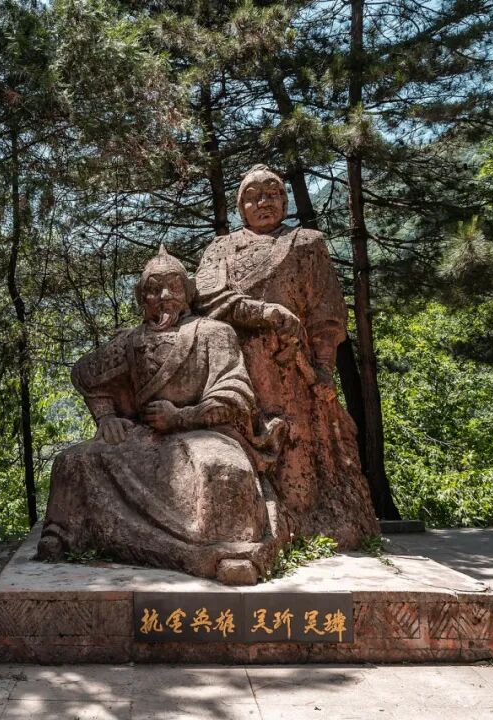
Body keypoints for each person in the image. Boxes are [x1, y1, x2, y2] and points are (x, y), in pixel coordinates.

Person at [37, 245, 286, 584]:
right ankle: (66, 534)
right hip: (146, 436)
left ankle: (231, 551)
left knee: (223, 470)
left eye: (173, 287)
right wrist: (106, 417)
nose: (164, 297)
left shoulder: (213, 333)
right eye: (153, 289)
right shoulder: (131, 341)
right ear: (141, 297)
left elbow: (235, 392)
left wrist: (183, 416)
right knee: (74, 461)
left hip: (204, 433)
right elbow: (85, 374)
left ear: (189, 291)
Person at [194, 164, 378, 548]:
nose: (263, 202)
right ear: (240, 207)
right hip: (233, 370)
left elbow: (327, 314)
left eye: (272, 193)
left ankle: (301, 529)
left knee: (297, 463)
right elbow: (207, 298)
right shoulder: (220, 249)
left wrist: (323, 367)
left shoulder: (305, 243)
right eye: (253, 196)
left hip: (292, 370)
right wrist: (263, 312)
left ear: (285, 200)